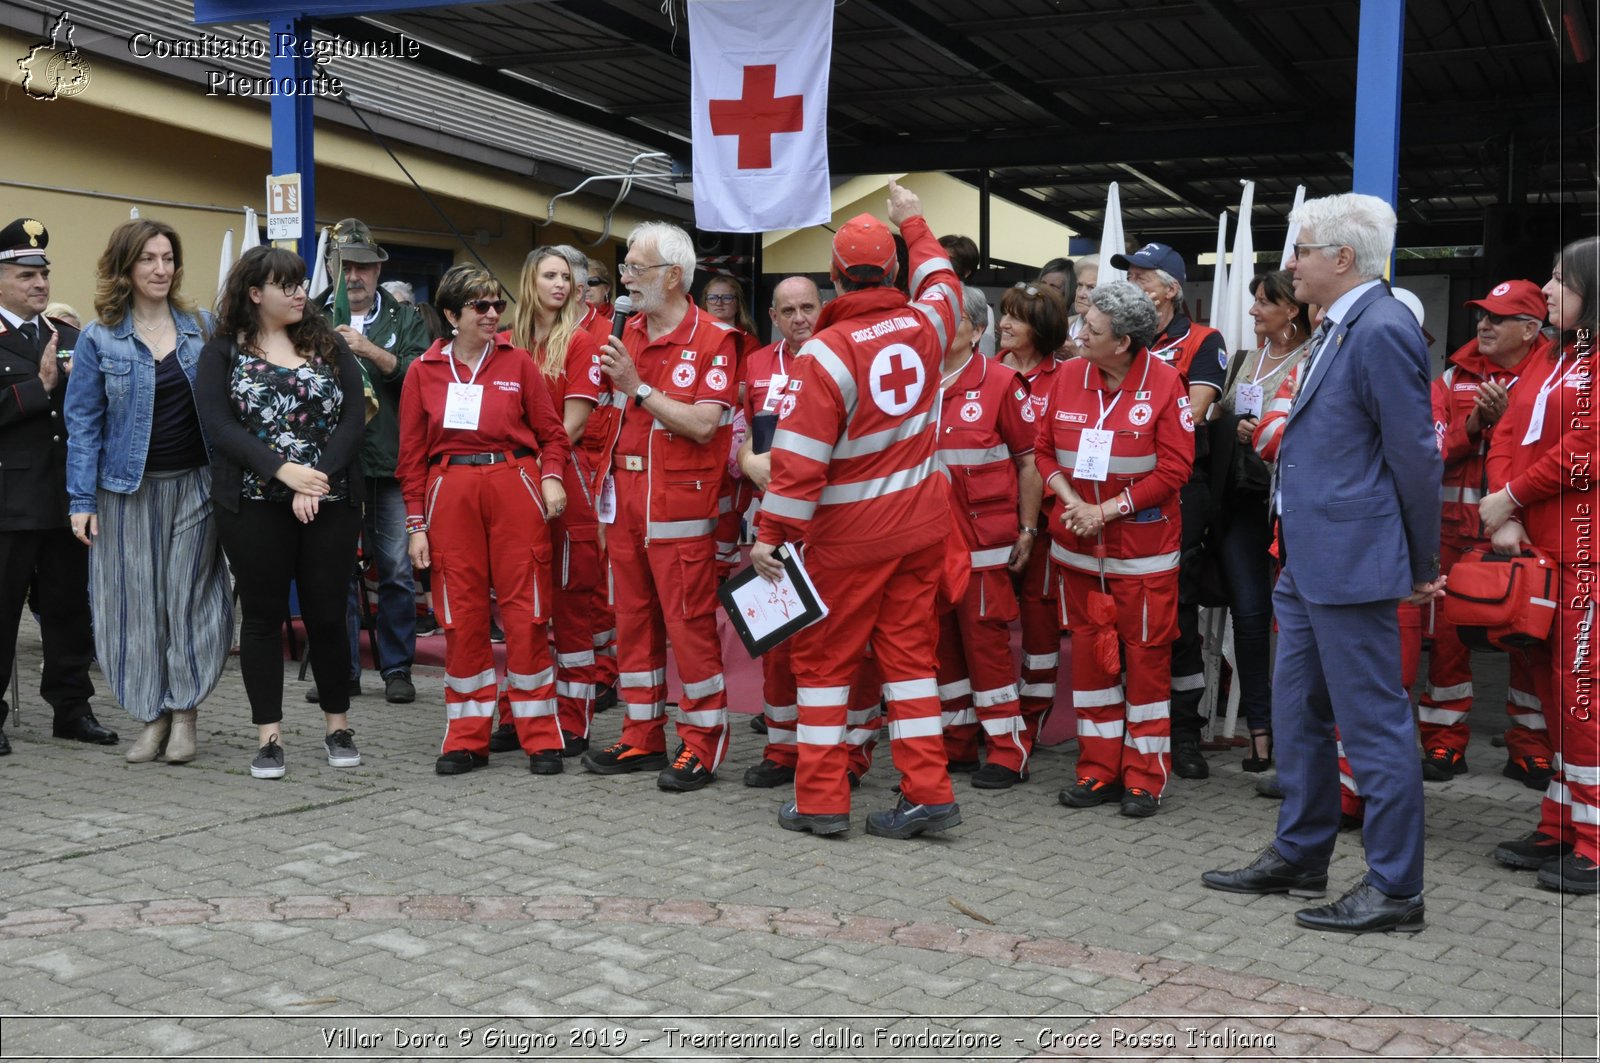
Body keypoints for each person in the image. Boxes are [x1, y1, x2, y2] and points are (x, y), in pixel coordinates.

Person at [1203, 193, 1443, 934]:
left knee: (1371, 726)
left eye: (1300, 249)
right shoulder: (1341, 326)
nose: (1289, 264)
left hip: (1353, 560)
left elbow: (1415, 455)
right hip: (1309, 561)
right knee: (1299, 711)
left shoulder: (1380, 329)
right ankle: (1300, 852)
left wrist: (1419, 558)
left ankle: (1396, 887)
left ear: (1343, 258)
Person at [753, 179, 965, 839]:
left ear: (836, 279)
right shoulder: (930, 323)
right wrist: (915, 220)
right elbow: (945, 281)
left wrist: (771, 535)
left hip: (848, 542)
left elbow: (798, 464)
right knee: (909, 662)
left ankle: (819, 799)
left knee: (823, 664)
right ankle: (927, 792)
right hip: (921, 531)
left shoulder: (824, 353)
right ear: (894, 269)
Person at [64, 218, 232, 764]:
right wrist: (80, 501)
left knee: (187, 600)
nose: (161, 269)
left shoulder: (203, 328)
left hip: (195, 488)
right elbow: (83, 423)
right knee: (133, 607)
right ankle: (151, 716)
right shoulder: (98, 337)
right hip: (124, 491)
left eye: (168, 259)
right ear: (126, 268)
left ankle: (185, 715)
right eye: (148, 259)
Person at [196, 246, 366, 780]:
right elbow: (219, 427)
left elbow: (355, 415)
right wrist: (282, 472)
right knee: (265, 619)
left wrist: (315, 478)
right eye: (285, 285)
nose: (299, 293)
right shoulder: (223, 350)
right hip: (251, 504)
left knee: (326, 615)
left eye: (300, 284)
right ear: (255, 294)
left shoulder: (327, 342)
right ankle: (268, 736)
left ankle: (337, 725)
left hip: (331, 501)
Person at [397, 264, 570, 775]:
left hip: (513, 486)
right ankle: (466, 738)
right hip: (449, 493)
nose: (494, 314)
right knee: (460, 615)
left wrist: (553, 477)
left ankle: (539, 735)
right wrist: (415, 526)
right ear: (452, 314)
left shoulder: (519, 365)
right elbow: (410, 458)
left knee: (527, 613)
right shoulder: (422, 371)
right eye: (481, 306)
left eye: (498, 305)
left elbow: (553, 435)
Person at [586, 221, 738, 791]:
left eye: (635, 268)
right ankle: (642, 732)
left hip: (679, 505)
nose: (625, 279)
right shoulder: (625, 333)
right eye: (624, 267)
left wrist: (638, 387)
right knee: (632, 623)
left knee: (689, 626)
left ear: (674, 276)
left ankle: (702, 741)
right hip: (622, 502)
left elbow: (703, 424)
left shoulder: (716, 340)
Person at [1036, 280, 1192, 817]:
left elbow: (1175, 469)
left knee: (1145, 667)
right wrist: (1072, 501)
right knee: (1092, 668)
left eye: (1092, 330)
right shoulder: (1069, 376)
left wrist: (1106, 511)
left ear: (1123, 341)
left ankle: (1145, 777)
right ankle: (1098, 770)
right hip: (1078, 556)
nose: (1079, 335)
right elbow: (1042, 452)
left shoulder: (1167, 383)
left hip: (1141, 557)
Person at [1483, 237, 1598, 894]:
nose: (1548, 289)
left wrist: (1511, 497)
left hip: (1586, 557)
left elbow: (1588, 446)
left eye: (1561, 279)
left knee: (1583, 701)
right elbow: (1504, 437)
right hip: (1538, 551)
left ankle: (1594, 840)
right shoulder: (1548, 359)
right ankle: (1561, 823)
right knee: (1554, 699)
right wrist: (1507, 512)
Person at [1417, 279, 1555, 786]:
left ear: (1530, 328)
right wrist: (1475, 424)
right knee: (1449, 643)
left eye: (1498, 318)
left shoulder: (1558, 377)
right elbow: (1428, 453)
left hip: (1527, 535)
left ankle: (1531, 749)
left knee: (1528, 642)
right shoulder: (1452, 380)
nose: (1484, 325)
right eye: (1482, 315)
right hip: (1456, 539)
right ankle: (1443, 743)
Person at [1111, 241, 1228, 780]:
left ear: (1170, 290)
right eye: (1128, 274)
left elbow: (1195, 410)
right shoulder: (1109, 343)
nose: (1130, 282)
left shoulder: (1203, 341)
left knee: (1172, 611)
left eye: (1140, 276)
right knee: (1110, 613)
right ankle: (1118, 730)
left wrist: (1142, 397)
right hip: (1110, 496)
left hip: (1177, 489)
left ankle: (1181, 731)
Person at [0, 218, 117, 755]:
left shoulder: (70, 337)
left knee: (69, 613)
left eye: (43, 274)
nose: (39, 284)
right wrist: (38, 387)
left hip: (68, 500)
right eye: (25, 274)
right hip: (10, 504)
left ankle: (72, 710)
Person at [491, 245, 607, 760]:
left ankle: (573, 720)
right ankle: (521, 713)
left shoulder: (580, 343)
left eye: (567, 278)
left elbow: (574, 426)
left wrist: (537, 468)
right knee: (521, 607)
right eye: (551, 276)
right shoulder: (503, 343)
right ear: (529, 281)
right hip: (513, 486)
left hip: (565, 483)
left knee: (568, 605)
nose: (562, 285)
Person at [307, 219, 428, 708]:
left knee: (396, 570)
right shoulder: (312, 314)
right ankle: (342, 671)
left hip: (390, 463)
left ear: (378, 270)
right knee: (332, 572)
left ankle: (397, 668)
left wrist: (369, 351)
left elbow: (421, 375)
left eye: (362, 266)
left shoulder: (404, 319)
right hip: (331, 464)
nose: (353, 275)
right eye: (344, 266)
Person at [1208, 270, 1315, 771]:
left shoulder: (1313, 358)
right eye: (1252, 301)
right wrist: (1235, 426)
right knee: (1249, 617)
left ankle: (1300, 733)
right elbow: (1214, 422)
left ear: (1291, 310)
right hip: (1241, 504)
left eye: (1263, 302)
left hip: (1291, 505)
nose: (1252, 311)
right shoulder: (1243, 361)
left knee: (1300, 626)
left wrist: (1268, 431)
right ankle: (1260, 730)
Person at [936, 285, 1041, 789]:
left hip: (983, 541)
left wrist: (1027, 527)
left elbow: (1030, 463)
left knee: (986, 646)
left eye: (950, 319)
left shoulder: (1001, 383)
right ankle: (955, 745)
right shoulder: (910, 382)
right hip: (926, 542)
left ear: (978, 330)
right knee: (939, 650)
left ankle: (1006, 750)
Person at [996, 282, 1071, 759]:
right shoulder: (982, 374)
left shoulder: (1066, 377)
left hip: (1042, 528)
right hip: (983, 525)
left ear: (1040, 330)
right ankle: (991, 718)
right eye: (1004, 313)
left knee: (1040, 632)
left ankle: (1030, 721)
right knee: (986, 630)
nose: (1003, 323)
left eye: (1015, 317)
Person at [1066, 256, 1098, 344]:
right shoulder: (1062, 326)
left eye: (1091, 287)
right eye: (1080, 285)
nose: (1080, 294)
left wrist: (1075, 355)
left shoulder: (1109, 335)